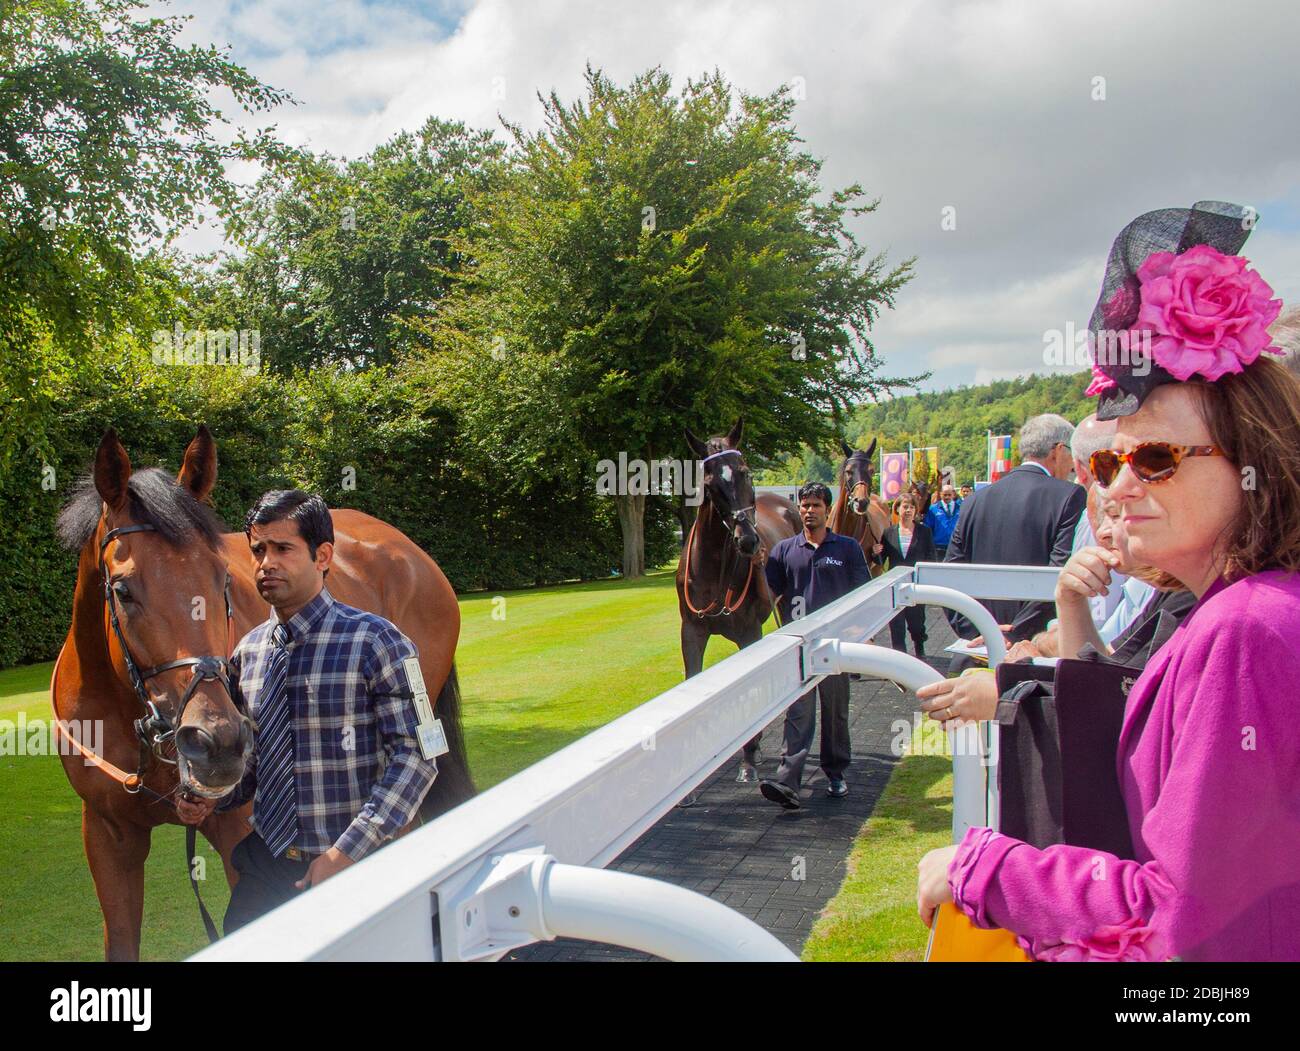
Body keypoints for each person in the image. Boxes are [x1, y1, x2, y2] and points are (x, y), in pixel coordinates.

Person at [917, 200, 1300, 961]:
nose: (1119, 488)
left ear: (1253, 462)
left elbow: (1180, 923)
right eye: (1107, 461)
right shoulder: (1238, 608)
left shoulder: (1246, 628)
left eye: (1156, 459)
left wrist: (981, 867)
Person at [176, 490, 440, 934]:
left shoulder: (379, 641)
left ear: (323, 556)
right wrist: (209, 794)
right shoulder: (246, 654)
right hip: (266, 865)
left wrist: (346, 852)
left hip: (359, 864)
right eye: (258, 550)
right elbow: (251, 768)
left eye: (283, 549)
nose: (266, 563)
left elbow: (420, 755)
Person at [759, 482, 871, 807]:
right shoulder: (783, 551)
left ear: (827, 509)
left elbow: (863, 594)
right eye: (805, 505)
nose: (809, 511)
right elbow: (768, 596)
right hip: (798, 647)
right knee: (798, 713)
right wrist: (757, 568)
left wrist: (859, 631)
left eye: (816, 505)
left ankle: (835, 774)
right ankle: (788, 782)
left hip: (835, 646)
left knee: (835, 714)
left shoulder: (847, 548)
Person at [943, 414, 1086, 666]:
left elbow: (950, 575)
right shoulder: (1070, 496)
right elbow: (1058, 574)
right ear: (1058, 451)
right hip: (1033, 652)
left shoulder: (976, 500)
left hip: (976, 650)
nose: (1073, 466)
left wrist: (978, 631)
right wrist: (1014, 634)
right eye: (1071, 455)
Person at [1068, 414, 1127, 626]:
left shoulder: (1090, 519)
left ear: (1079, 469)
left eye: (1114, 515)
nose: (1105, 532)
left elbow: (1096, 621)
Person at [880, 492, 937, 658]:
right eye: (905, 507)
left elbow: (931, 557)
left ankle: (920, 648)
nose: (908, 510)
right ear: (897, 509)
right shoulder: (888, 532)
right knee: (896, 625)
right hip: (895, 586)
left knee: (917, 624)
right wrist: (875, 552)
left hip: (915, 584)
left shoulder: (924, 531)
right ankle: (900, 656)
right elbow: (881, 559)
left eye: (912, 507)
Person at [922, 483, 961, 560]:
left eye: (949, 495)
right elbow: (928, 527)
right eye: (945, 495)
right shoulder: (933, 509)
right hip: (938, 546)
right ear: (940, 494)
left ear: (953, 494)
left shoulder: (961, 508)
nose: (947, 497)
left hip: (955, 545)